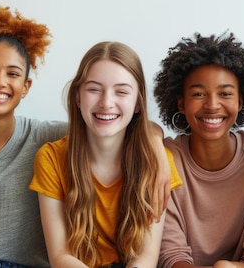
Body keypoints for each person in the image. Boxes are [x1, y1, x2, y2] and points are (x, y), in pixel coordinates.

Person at [0, 6, 172, 268]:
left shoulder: (43, 136)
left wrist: (155, 141)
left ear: (26, 87)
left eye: (13, 73)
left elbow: (109, 127)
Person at [30, 41, 183, 268]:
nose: (106, 102)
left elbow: (147, 256)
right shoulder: (51, 158)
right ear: (78, 97)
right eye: (94, 89)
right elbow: (60, 255)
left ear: (138, 103)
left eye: (121, 91)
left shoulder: (157, 162)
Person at [154, 33, 244, 268]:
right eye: (199, 94)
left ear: (240, 101)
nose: (212, 105)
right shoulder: (164, 159)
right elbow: (171, 257)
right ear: (181, 103)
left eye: (225, 94)